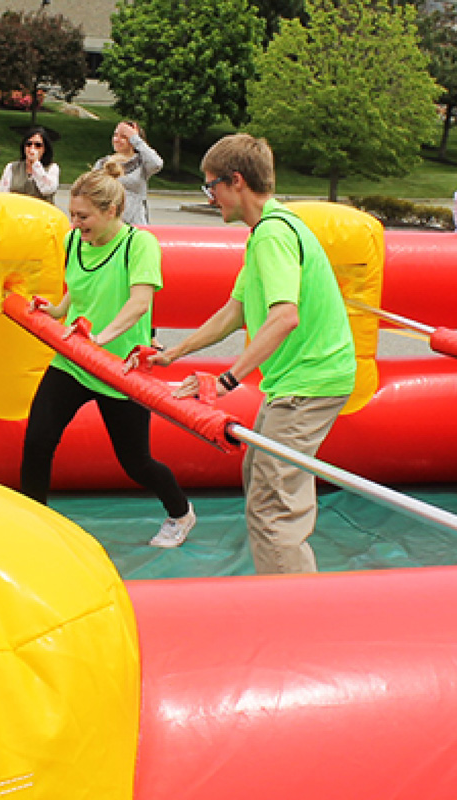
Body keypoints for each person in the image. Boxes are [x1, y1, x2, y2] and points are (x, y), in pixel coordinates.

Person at [132, 133, 356, 574]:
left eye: (210, 186)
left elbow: (284, 317)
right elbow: (233, 313)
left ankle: (293, 618)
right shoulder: (266, 232)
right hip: (297, 382)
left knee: (274, 508)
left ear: (236, 181)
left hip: (310, 383)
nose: (209, 196)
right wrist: (173, 353)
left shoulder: (273, 235)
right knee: (262, 482)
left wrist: (228, 380)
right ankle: (287, 601)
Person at [21, 161, 196, 548]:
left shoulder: (140, 244)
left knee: (136, 462)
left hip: (120, 368)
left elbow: (139, 303)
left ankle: (180, 513)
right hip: (73, 360)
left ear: (111, 211)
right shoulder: (73, 242)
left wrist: (102, 339)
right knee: (37, 442)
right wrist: (55, 311)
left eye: (83, 216)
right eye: (72, 214)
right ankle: (32, 525)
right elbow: (77, 291)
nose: (75, 223)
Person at [94, 120, 163, 226]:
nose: (117, 140)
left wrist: (135, 138)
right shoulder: (103, 163)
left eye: (124, 137)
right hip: (108, 224)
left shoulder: (142, 162)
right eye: (115, 135)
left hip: (135, 225)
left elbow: (157, 164)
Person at [0, 126, 60, 204]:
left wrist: (36, 164)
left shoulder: (52, 168)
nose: (32, 148)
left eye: (38, 145)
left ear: (44, 149)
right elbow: (3, 195)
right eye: (29, 144)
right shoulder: (11, 167)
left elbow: (47, 189)